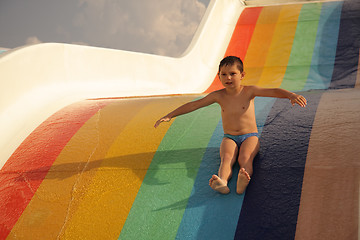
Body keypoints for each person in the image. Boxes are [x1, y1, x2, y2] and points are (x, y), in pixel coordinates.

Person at [154, 56, 307, 194]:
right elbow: (195, 105)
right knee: (226, 158)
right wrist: (170, 115)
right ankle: (223, 182)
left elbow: (272, 91)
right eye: (224, 74)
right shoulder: (218, 96)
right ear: (218, 76)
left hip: (250, 136)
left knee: (245, 157)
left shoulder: (249, 91)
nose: (228, 77)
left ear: (242, 75)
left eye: (233, 73)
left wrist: (291, 95)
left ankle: (242, 182)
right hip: (230, 137)